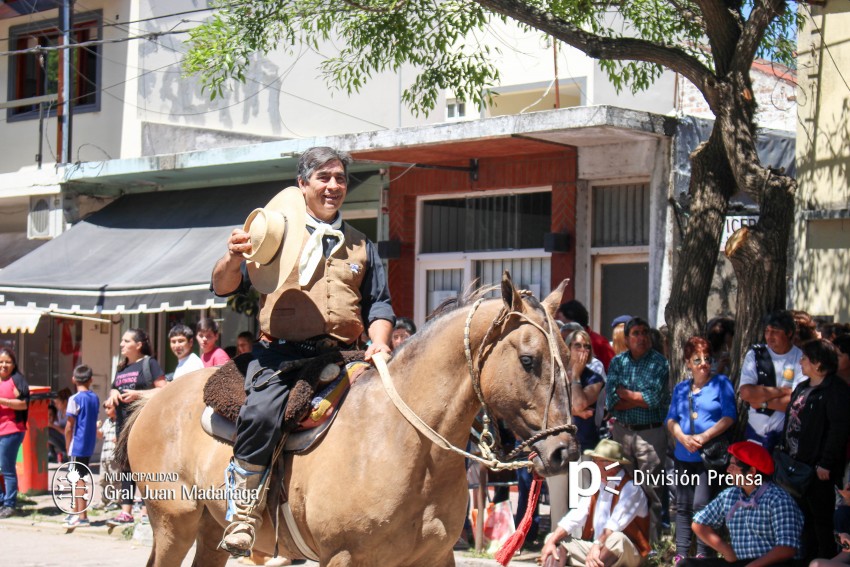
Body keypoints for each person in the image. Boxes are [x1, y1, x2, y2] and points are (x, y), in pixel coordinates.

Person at [211, 146, 394, 556]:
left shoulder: (363, 244)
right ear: (303, 184)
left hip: (346, 354)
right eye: (324, 178)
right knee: (260, 412)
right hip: (282, 357)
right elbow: (224, 286)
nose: (333, 186)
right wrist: (232, 256)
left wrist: (380, 341)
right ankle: (243, 512)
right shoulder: (274, 236)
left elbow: (379, 304)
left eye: (340, 179)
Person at [665, 336, 737, 563]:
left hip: (710, 458)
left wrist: (704, 436)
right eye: (697, 359)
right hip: (683, 455)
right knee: (684, 506)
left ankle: (704, 556)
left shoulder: (721, 383)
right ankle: (681, 554)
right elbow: (671, 419)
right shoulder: (681, 388)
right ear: (688, 363)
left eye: (707, 358)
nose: (704, 363)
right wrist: (682, 437)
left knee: (701, 505)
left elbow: (729, 417)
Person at [778, 339, 850, 561]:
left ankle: (824, 561)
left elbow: (838, 430)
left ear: (818, 364)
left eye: (805, 358)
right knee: (803, 521)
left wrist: (826, 463)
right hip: (796, 467)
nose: (801, 361)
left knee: (821, 522)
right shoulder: (802, 386)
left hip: (818, 471)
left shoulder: (835, 390)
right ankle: (806, 561)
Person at [680, 441, 803, 567]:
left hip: (771, 563)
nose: (728, 470)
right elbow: (699, 524)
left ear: (752, 471)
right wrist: (727, 551)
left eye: (733, 466)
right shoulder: (730, 495)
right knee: (687, 565)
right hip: (740, 563)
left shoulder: (779, 499)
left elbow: (787, 548)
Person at [605, 317, 669, 541]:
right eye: (636, 334)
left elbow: (652, 399)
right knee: (622, 487)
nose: (641, 337)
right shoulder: (618, 362)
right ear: (627, 339)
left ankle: (651, 545)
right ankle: (625, 541)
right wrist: (635, 398)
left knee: (650, 490)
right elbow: (611, 401)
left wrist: (626, 394)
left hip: (650, 434)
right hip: (622, 432)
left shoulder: (659, 363)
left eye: (645, 333)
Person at [540, 439, 650, 567]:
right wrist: (552, 540)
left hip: (630, 553)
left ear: (612, 465)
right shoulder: (597, 486)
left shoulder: (631, 488)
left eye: (598, 461)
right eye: (594, 460)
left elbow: (614, 525)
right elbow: (574, 517)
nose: (594, 465)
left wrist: (597, 545)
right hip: (597, 548)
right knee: (553, 539)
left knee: (616, 539)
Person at [105, 328, 166, 526]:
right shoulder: (121, 367)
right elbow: (115, 387)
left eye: (126, 341)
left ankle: (148, 509)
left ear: (138, 345)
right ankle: (126, 511)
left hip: (143, 422)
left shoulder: (150, 364)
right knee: (125, 466)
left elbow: (163, 389)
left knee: (145, 466)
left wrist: (138, 395)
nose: (122, 344)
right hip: (122, 424)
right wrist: (113, 394)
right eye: (121, 341)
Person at [547, 329, 607, 530]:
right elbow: (550, 407)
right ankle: (555, 551)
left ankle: (578, 548)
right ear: (568, 347)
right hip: (557, 446)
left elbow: (580, 404)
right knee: (558, 503)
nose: (583, 350)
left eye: (586, 346)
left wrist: (576, 377)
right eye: (578, 345)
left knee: (582, 500)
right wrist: (575, 411)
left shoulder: (594, 377)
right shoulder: (554, 374)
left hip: (585, 446)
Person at [738, 310, 805, 452]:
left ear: (789, 333)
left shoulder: (801, 358)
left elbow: (795, 403)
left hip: (785, 438)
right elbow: (746, 393)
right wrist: (783, 391)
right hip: (754, 435)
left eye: (775, 331)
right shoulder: (756, 355)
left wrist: (761, 402)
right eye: (767, 331)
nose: (769, 336)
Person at [63, 364, 100, 528]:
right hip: (89, 443)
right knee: (81, 478)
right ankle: (76, 512)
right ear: (91, 380)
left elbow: (69, 426)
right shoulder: (95, 398)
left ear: (73, 379)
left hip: (77, 444)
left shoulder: (74, 399)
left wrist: (67, 445)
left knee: (77, 481)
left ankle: (81, 515)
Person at [0, 348, 29, 519]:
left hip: (12, 430)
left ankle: (10, 504)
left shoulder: (17, 380)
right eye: (1, 361)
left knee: (7, 468)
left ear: (14, 364)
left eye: (7, 362)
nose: (4, 365)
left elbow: (24, 404)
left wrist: (3, 401)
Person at [558, 300, 615, 371]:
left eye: (562, 323)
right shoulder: (558, 342)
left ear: (573, 324)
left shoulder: (599, 343)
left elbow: (613, 370)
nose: (559, 327)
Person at [97, 402, 120, 510]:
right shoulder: (107, 422)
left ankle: (116, 501)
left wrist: (119, 439)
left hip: (114, 456)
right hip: (104, 456)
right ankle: (104, 501)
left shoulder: (120, 422)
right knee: (103, 480)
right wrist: (96, 429)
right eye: (105, 408)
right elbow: (101, 435)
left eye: (109, 408)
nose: (106, 410)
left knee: (115, 479)